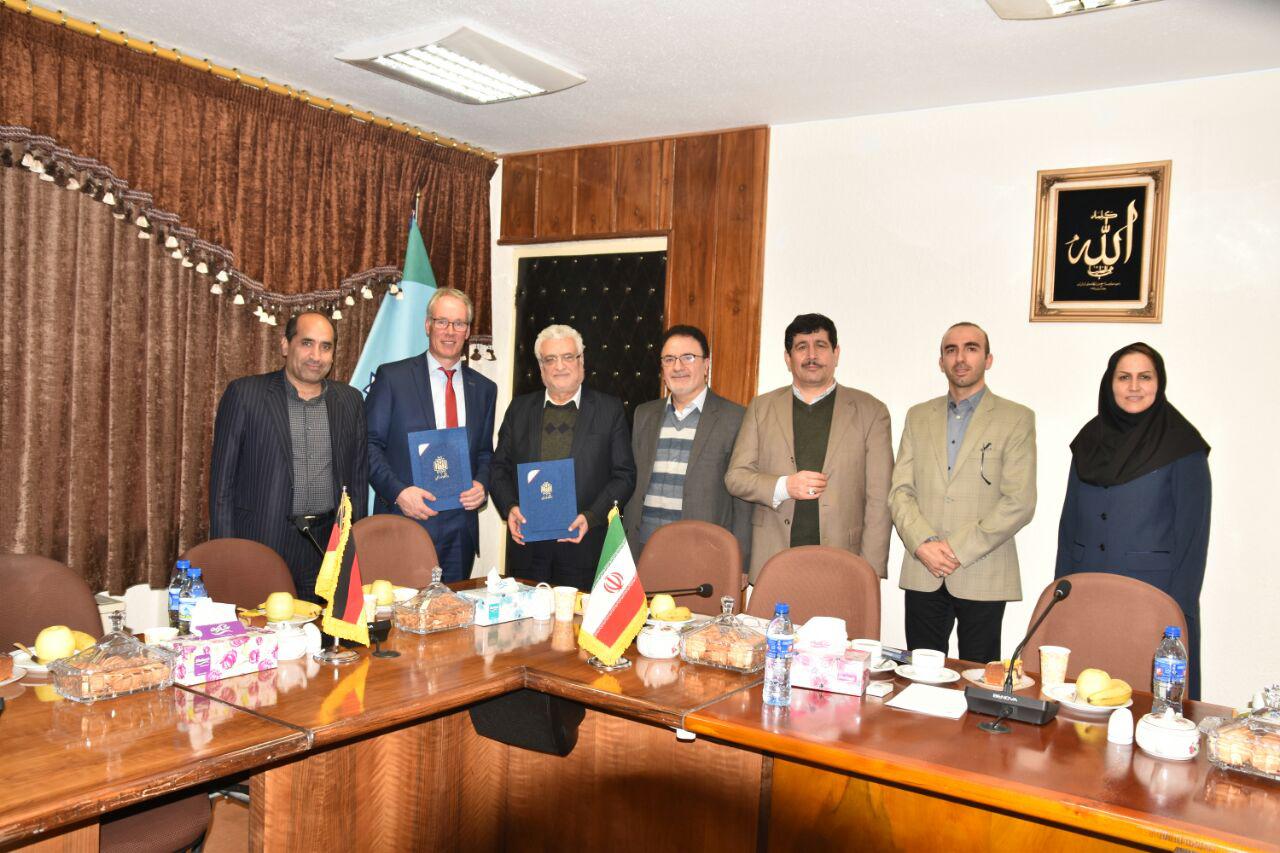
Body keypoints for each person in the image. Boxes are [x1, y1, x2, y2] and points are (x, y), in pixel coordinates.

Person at [1056, 342, 1210, 699]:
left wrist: (1177, 613)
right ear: (1110, 383)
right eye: (1124, 377)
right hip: (1087, 592)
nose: (1134, 386)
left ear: (1160, 382)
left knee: (1146, 703)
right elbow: (1069, 526)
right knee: (1085, 699)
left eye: (1145, 377)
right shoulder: (1089, 440)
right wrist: (1060, 595)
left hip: (1152, 599)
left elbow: (1193, 539)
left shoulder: (1183, 446)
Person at [889, 323, 1037, 664]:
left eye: (971, 348)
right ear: (941, 361)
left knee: (978, 678)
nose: (960, 357)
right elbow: (900, 491)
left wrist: (955, 549)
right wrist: (923, 544)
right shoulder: (918, 416)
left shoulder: (1016, 418)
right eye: (951, 350)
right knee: (921, 674)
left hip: (984, 568)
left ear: (988, 359)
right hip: (924, 569)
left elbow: (1020, 501)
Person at [210, 312, 368, 599]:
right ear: (285, 345)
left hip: (325, 547)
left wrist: (351, 546)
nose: (316, 356)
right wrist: (229, 554)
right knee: (260, 625)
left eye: (326, 346)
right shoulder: (245, 395)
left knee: (322, 626)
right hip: (262, 541)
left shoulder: (350, 401)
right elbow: (222, 486)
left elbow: (357, 480)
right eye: (307, 343)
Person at [725, 313, 893, 583]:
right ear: (787, 358)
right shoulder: (761, 408)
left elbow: (880, 499)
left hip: (844, 562)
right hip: (774, 559)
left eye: (821, 345)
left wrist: (869, 572)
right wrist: (784, 486)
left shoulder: (871, 411)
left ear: (836, 354)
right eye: (802, 347)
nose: (812, 355)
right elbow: (736, 477)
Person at [365, 287, 497, 582]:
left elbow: (485, 452)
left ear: (468, 331)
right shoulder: (392, 377)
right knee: (401, 610)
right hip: (405, 521)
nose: (450, 331)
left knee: (452, 609)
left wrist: (482, 483)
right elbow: (368, 445)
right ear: (428, 325)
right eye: (442, 322)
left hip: (459, 531)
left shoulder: (485, 389)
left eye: (459, 323)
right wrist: (399, 493)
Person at [491, 325, 636, 590]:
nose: (560, 366)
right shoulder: (519, 409)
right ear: (541, 367)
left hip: (584, 548)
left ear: (581, 361)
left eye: (568, 357)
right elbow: (498, 469)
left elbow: (624, 476)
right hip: (527, 549)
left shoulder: (609, 409)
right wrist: (510, 507)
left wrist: (591, 517)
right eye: (550, 359)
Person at [623, 325, 750, 569]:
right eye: (669, 359)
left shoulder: (735, 418)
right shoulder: (644, 414)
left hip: (703, 551)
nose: (678, 366)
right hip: (643, 547)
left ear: (706, 364)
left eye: (688, 357)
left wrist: (741, 561)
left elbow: (743, 501)